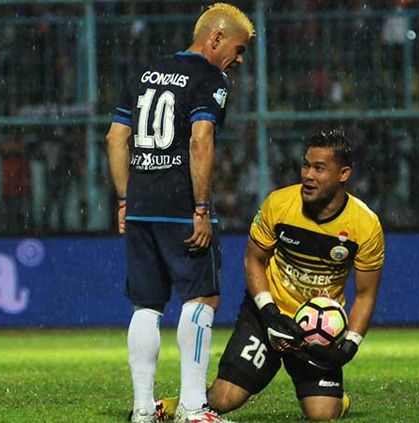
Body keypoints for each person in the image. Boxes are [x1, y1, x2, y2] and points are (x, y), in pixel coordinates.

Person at [160, 129, 385, 421]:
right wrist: (268, 312)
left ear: (343, 174)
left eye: (319, 168)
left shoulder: (365, 225)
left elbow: (366, 294)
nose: (308, 175)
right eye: (306, 165)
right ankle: (181, 401)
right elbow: (253, 260)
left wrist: (349, 346)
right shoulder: (279, 205)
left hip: (318, 328)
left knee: (322, 415)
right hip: (266, 315)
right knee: (224, 398)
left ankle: (336, 400)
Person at [104, 4, 254, 423]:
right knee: (202, 297)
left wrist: (123, 199)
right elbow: (200, 140)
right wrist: (201, 208)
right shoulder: (211, 79)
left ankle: (141, 409)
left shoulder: (143, 73)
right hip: (180, 205)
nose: (238, 61)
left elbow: (115, 138)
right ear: (216, 38)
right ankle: (193, 405)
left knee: (147, 306)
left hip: (140, 205)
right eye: (238, 50)